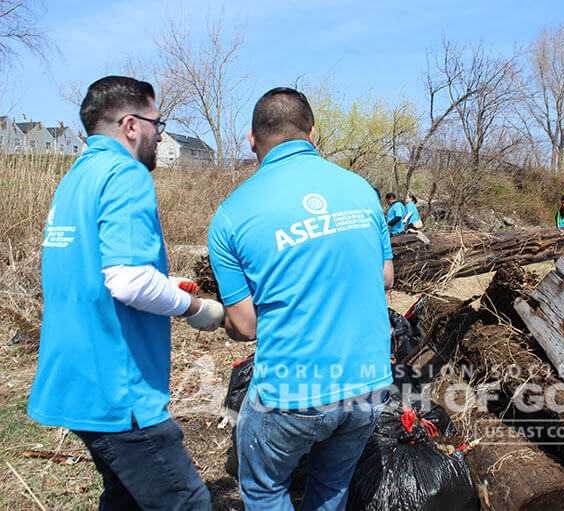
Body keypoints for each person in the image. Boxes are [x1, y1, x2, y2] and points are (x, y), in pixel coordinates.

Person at [27, 76, 224, 510]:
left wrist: (165, 283)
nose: (160, 133)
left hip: (75, 378)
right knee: (186, 502)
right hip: (118, 388)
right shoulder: (125, 174)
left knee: (127, 499)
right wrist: (195, 306)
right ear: (132, 125)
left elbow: (97, 272)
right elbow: (128, 280)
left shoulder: (76, 178)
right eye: (159, 122)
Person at [207, 87, 393, 510]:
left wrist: (209, 315)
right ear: (313, 134)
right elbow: (385, 276)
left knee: (263, 488)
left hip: (292, 393)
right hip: (369, 384)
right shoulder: (361, 189)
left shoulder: (231, 215)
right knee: (330, 488)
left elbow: (246, 326)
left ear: (252, 141)